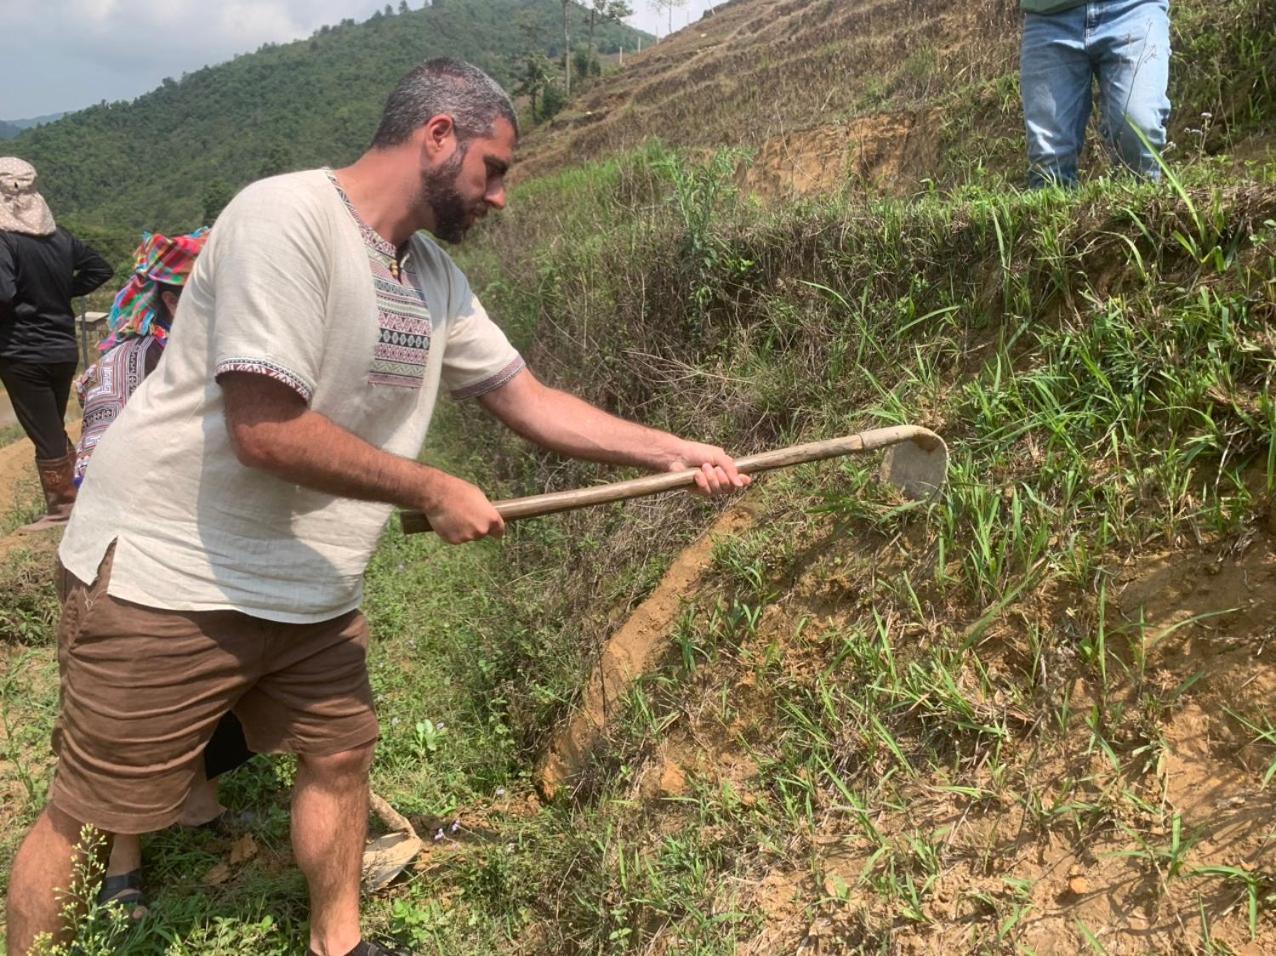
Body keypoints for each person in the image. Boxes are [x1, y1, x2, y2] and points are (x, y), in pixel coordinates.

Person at [5, 58, 749, 956]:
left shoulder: (430, 275)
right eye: (495, 169)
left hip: (310, 585)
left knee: (341, 754)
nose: (501, 196)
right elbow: (266, 430)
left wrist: (678, 451)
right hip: (171, 571)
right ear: (438, 135)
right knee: (88, 811)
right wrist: (432, 486)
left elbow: (531, 399)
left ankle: (340, 944)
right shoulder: (288, 218)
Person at [70, 227, 258, 915]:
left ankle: (199, 804)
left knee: (217, 687)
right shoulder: (136, 364)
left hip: (201, 546)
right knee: (136, 713)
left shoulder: (206, 358)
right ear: (175, 297)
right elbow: (109, 475)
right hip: (135, 557)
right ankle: (121, 861)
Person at [0, 158, 113, 530]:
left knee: (45, 432)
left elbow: (4, 294)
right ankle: (81, 492)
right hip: (62, 349)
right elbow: (100, 269)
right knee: (51, 426)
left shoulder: (4, 239)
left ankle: (63, 507)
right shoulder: (60, 238)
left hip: (21, 350)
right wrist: (62, 292)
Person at [1019, 0, 1172, 187]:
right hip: (1048, 17)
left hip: (1133, 9)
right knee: (1049, 162)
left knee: (1138, 129)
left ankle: (1140, 211)